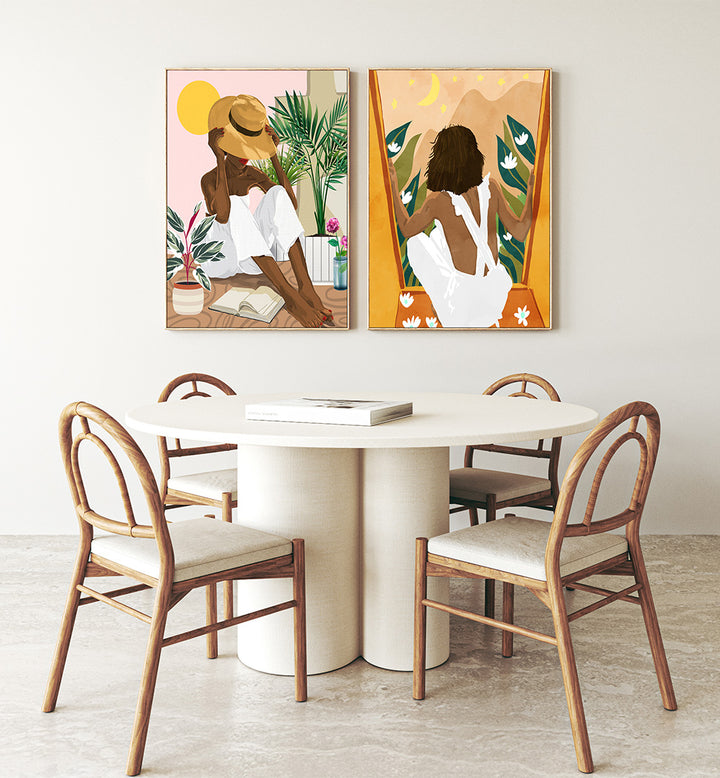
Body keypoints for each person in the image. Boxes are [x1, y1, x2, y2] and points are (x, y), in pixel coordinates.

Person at [201, 94, 333, 328]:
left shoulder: (253, 175)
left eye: (249, 147)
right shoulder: (209, 178)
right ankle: (290, 297)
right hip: (220, 260)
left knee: (277, 193)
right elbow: (222, 215)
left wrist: (273, 155)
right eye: (239, 146)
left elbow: (288, 205)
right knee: (237, 211)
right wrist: (219, 159)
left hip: (248, 257)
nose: (244, 155)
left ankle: (305, 286)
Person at [388, 124, 535, 328]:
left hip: (459, 308)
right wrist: (530, 191)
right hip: (494, 300)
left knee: (417, 241)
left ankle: (441, 305)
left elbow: (406, 228)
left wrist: (393, 186)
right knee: (442, 236)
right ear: (474, 157)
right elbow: (520, 232)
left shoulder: (438, 201)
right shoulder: (492, 188)